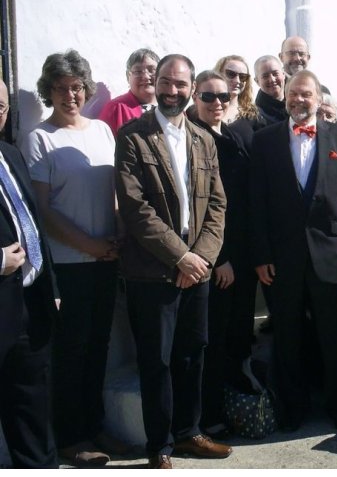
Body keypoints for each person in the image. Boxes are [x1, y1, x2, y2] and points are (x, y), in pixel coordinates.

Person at [115, 54, 230, 469]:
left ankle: (189, 432)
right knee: (157, 360)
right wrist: (180, 256)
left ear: (191, 89)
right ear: (154, 82)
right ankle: (159, 445)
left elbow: (218, 204)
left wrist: (200, 258)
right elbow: (134, 208)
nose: (172, 91)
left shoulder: (204, 139)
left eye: (181, 85)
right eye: (165, 82)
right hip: (152, 270)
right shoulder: (133, 137)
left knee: (191, 353)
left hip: (196, 267)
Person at [21, 50, 126, 467]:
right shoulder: (40, 138)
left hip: (106, 259)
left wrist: (116, 233)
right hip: (69, 264)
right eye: (62, 88)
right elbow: (43, 212)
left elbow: (115, 191)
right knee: (70, 353)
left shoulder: (102, 131)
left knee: (99, 347)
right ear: (50, 92)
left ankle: (94, 425)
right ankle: (70, 438)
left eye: (78, 86)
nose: (71, 94)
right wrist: (89, 245)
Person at [249, 69, 337, 432]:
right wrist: (262, 255)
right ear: (284, 98)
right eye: (292, 94)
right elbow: (258, 203)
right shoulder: (264, 140)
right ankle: (292, 409)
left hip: (329, 254)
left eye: (306, 95)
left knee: (332, 335)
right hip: (281, 259)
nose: (299, 100)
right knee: (287, 336)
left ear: (318, 98)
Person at [188, 70, 260, 440]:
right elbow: (202, 209)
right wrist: (221, 258)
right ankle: (207, 417)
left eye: (223, 98)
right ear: (194, 97)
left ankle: (228, 409)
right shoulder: (189, 137)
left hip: (242, 258)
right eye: (208, 97)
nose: (217, 103)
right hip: (216, 260)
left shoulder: (231, 136)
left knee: (234, 339)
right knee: (210, 342)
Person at [0, 79, 60, 469]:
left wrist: (50, 284)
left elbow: (32, 222)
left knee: (34, 420)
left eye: (1, 105)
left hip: (28, 307)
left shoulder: (9, 152)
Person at [97, 48, 159, 137]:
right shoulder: (115, 109)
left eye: (151, 70)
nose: (145, 76)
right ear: (128, 76)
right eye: (138, 71)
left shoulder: (172, 107)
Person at [212, 55, 260, 125]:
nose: (237, 81)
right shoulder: (203, 110)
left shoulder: (254, 115)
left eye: (242, 77)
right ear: (218, 74)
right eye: (231, 74)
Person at [253, 54, 287, 126]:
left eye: (275, 74)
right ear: (257, 81)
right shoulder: (255, 116)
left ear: (283, 74)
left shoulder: (296, 105)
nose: (272, 79)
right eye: (265, 76)